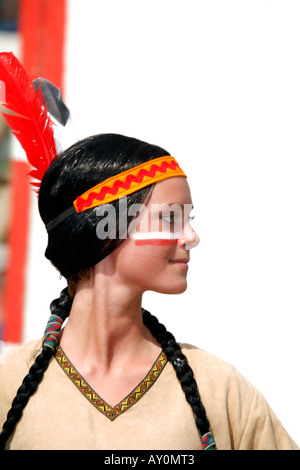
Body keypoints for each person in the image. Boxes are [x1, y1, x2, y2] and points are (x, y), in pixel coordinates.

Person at [0, 53, 298, 451]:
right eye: (171, 219)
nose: (191, 237)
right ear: (104, 230)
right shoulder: (7, 392)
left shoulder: (221, 393)